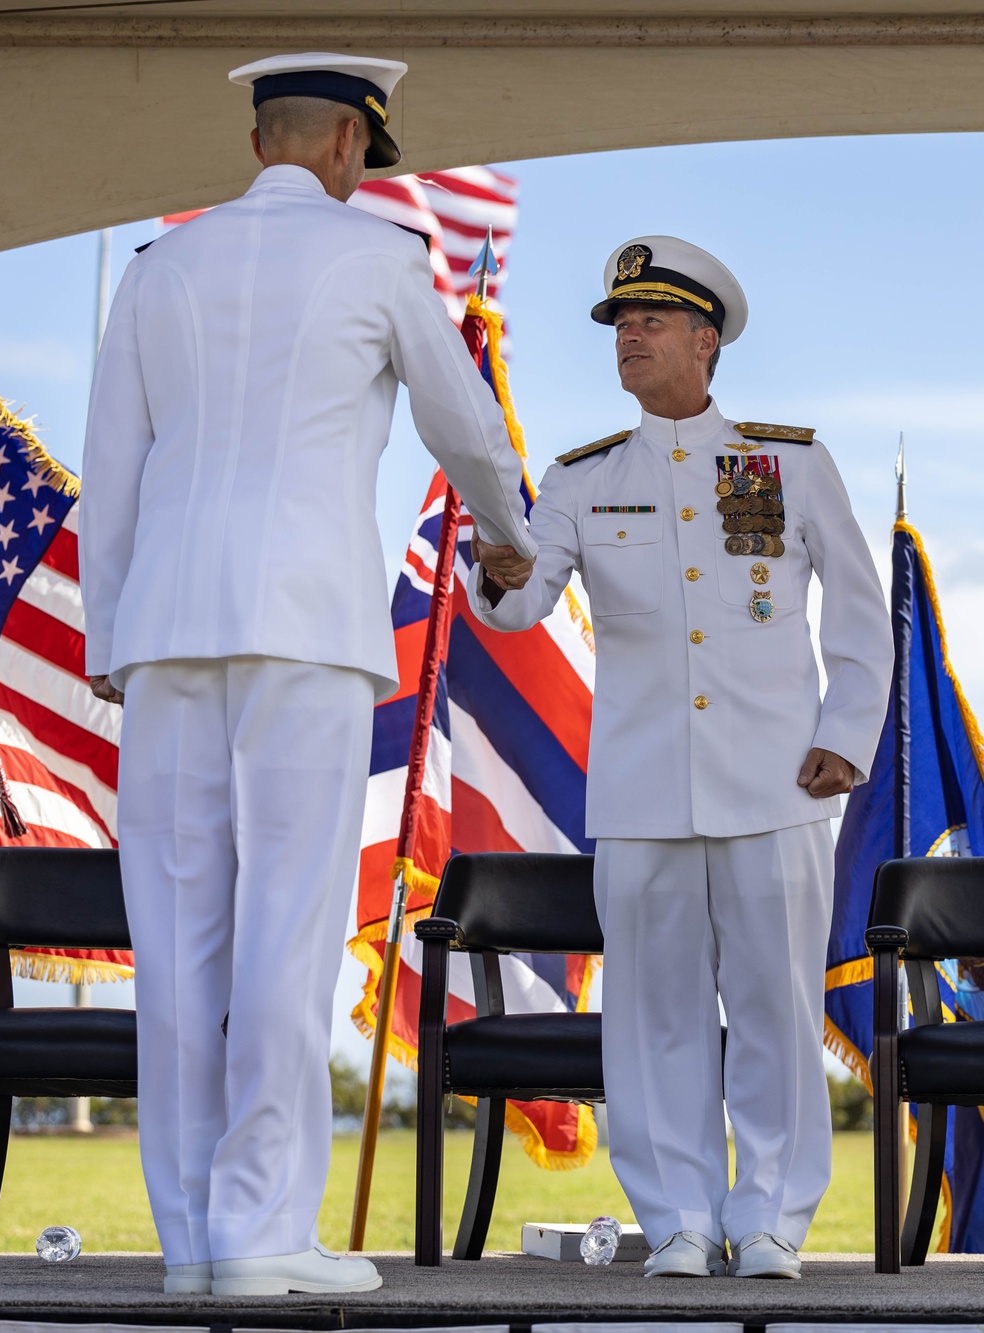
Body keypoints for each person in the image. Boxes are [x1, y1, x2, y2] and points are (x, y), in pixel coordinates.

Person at [79, 51, 535, 1298]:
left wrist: (110, 634)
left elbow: (109, 468)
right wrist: (511, 533)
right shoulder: (381, 259)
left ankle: (189, 1241)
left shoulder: (158, 270)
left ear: (260, 141)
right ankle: (262, 1232)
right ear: (346, 144)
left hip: (167, 630)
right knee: (285, 927)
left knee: (177, 940)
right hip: (306, 629)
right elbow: (466, 429)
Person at [471, 236, 893, 1280]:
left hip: (775, 785)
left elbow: (856, 605)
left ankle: (769, 1222)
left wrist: (845, 737)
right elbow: (523, 604)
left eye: (651, 321)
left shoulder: (786, 462)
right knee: (652, 1021)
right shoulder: (581, 477)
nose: (629, 339)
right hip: (642, 790)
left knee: (773, 1014)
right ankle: (677, 1223)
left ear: (706, 341)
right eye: (619, 325)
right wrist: (493, 552)